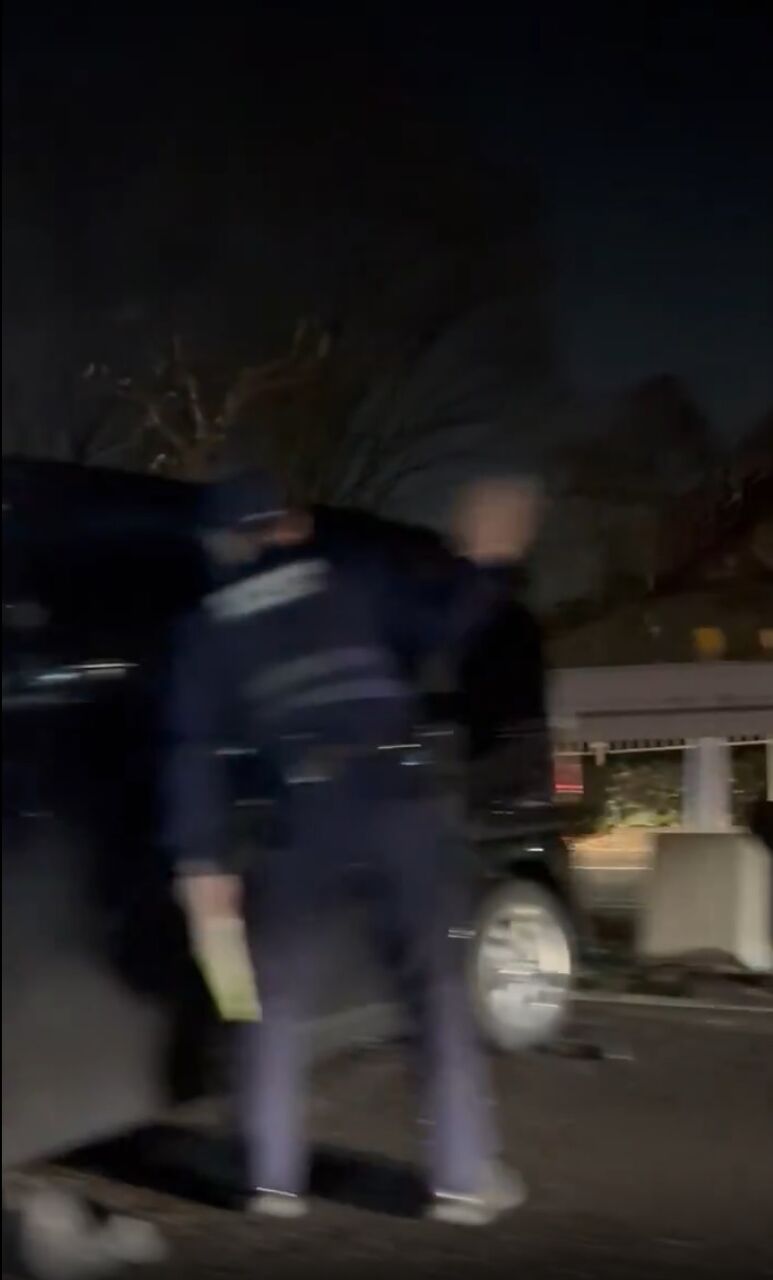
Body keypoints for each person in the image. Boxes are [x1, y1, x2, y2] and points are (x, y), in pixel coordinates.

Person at [163, 469, 537, 1226]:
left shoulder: (207, 628)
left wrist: (202, 862)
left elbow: (191, 752)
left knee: (271, 1004)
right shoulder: (353, 577)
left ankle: (271, 1181)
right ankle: (462, 1181)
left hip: (299, 817)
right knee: (434, 992)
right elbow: (446, 628)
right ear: (289, 526)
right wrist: (487, 561)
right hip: (396, 802)